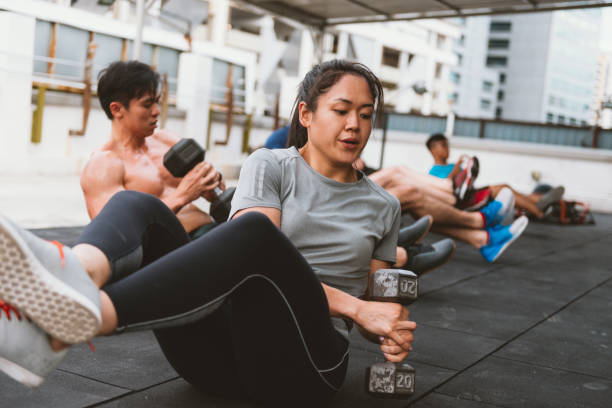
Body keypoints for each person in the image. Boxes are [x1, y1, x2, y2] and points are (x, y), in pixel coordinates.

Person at [0, 60, 417, 406]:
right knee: (140, 205)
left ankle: (80, 320)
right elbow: (261, 258)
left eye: (365, 115)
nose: (355, 125)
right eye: (342, 110)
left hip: (304, 367)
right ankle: (74, 271)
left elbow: (372, 309)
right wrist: (361, 310)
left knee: (255, 235)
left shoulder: (384, 205)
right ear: (306, 114)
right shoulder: (270, 166)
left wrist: (386, 326)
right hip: (216, 361)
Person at [80, 61, 225, 238]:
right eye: (147, 104)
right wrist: (182, 196)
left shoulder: (166, 139)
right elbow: (115, 232)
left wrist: (212, 184)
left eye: (157, 102)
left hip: (210, 231)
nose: (156, 111)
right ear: (117, 109)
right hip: (174, 250)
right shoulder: (102, 166)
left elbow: (216, 191)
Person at [426, 133, 565, 218]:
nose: (447, 148)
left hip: (471, 193)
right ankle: (539, 211)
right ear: (432, 149)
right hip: (461, 203)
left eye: (447, 145)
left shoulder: (451, 165)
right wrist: (457, 169)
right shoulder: (433, 172)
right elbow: (445, 187)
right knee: (503, 189)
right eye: (443, 145)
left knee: (507, 189)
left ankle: (540, 202)